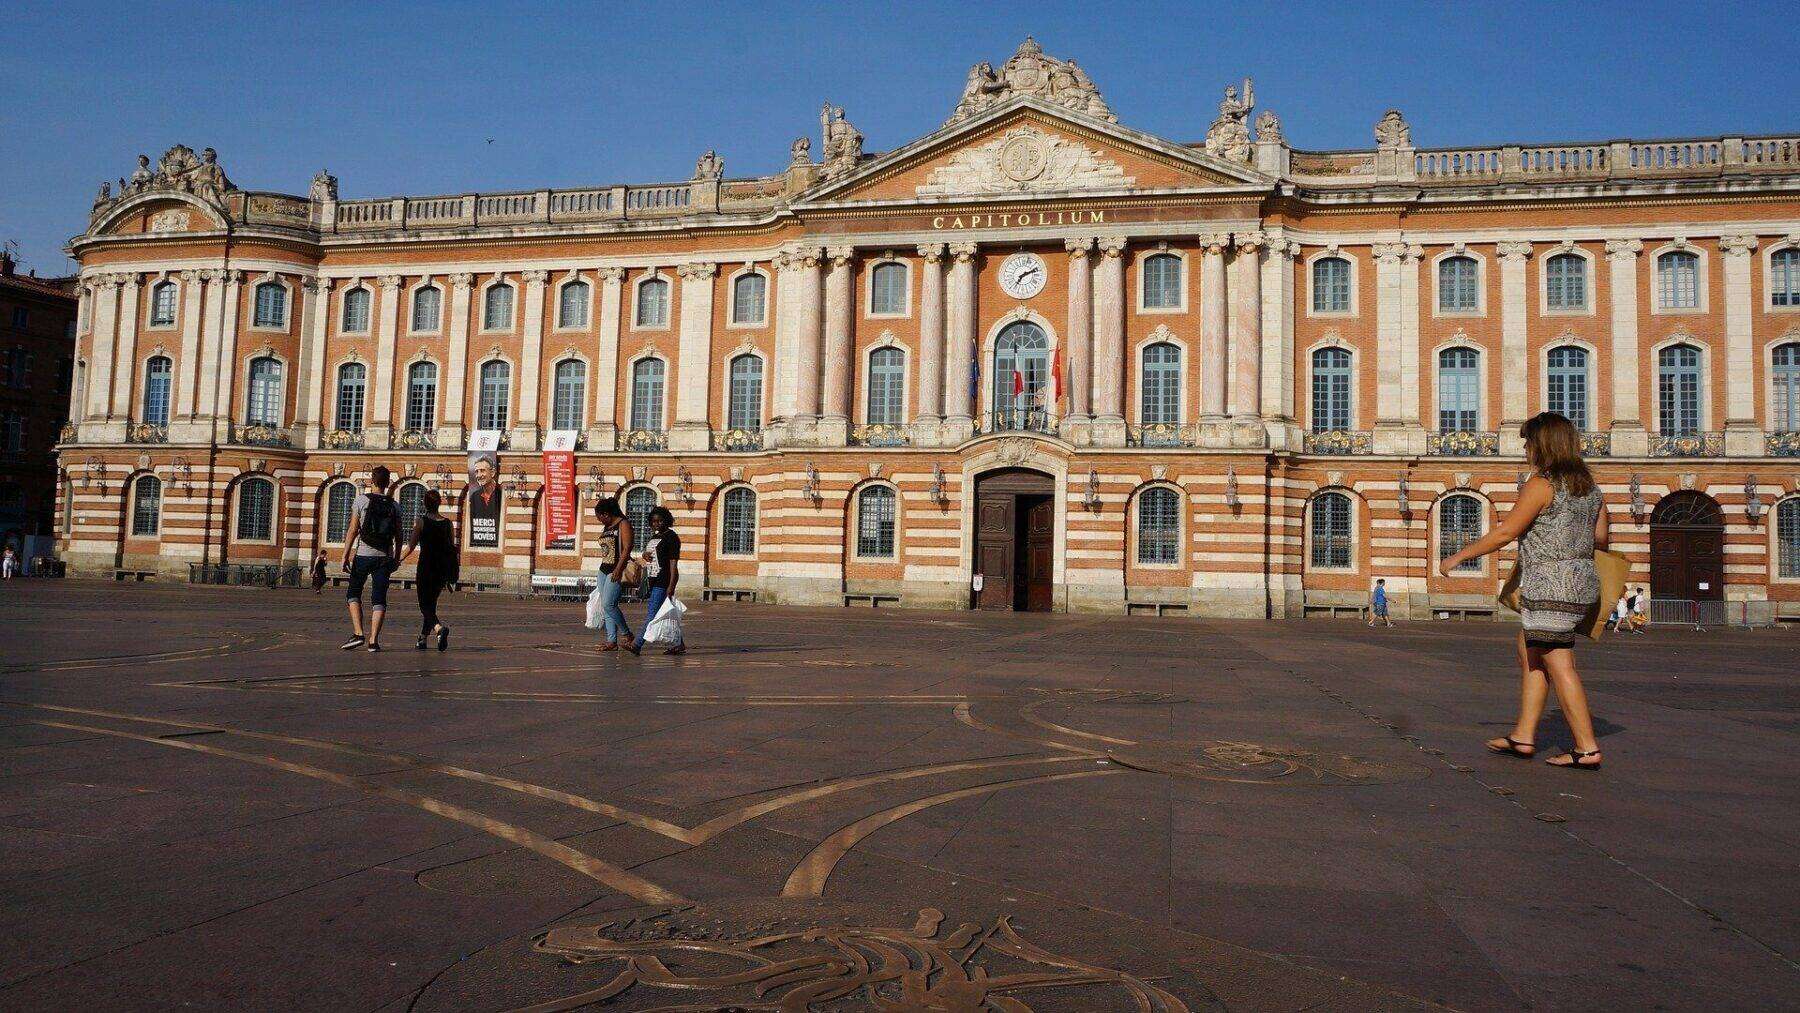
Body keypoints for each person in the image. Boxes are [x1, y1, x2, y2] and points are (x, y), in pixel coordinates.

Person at [1441, 412, 1607, 771]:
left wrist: (1458, 556)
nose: (1526, 448)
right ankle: (1524, 735)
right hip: (1580, 583)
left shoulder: (1542, 484)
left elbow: (1506, 532)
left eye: (1529, 442)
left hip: (1550, 586)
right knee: (1529, 649)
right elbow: (1601, 539)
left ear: (1542, 444)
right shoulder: (1590, 488)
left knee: (1559, 663)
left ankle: (1586, 747)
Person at [340, 465, 400, 652]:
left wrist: (345, 555)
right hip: (384, 557)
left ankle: (358, 633)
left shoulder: (361, 501)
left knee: (353, 593)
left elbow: (353, 530)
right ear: (388, 483)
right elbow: (399, 535)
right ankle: (373, 641)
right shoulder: (395, 506)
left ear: (372, 481)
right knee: (379, 599)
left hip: (363, 555)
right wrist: (396, 558)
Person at [396, 488, 457, 651]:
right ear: (439, 503)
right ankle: (422, 639)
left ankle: (438, 629)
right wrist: (451, 574)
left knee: (424, 605)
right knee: (431, 604)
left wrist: (398, 559)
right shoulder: (448, 523)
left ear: (425, 503)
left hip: (425, 568)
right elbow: (452, 549)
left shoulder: (421, 522)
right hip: (441, 570)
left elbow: (411, 546)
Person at [633, 506, 685, 656]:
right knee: (664, 612)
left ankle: (637, 644)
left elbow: (673, 565)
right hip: (652, 578)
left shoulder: (672, 537)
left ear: (666, 521)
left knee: (652, 613)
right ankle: (679, 644)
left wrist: (671, 586)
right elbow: (651, 554)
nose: (657, 524)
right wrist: (644, 554)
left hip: (663, 580)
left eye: (660, 521)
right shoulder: (655, 536)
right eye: (654, 521)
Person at [592, 497, 636, 654]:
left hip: (615, 569)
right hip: (603, 570)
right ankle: (611, 641)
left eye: (599, 517)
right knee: (607, 607)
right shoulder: (607, 527)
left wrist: (618, 569)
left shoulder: (623, 523)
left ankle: (627, 634)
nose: (599, 520)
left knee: (609, 604)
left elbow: (627, 547)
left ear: (606, 514)